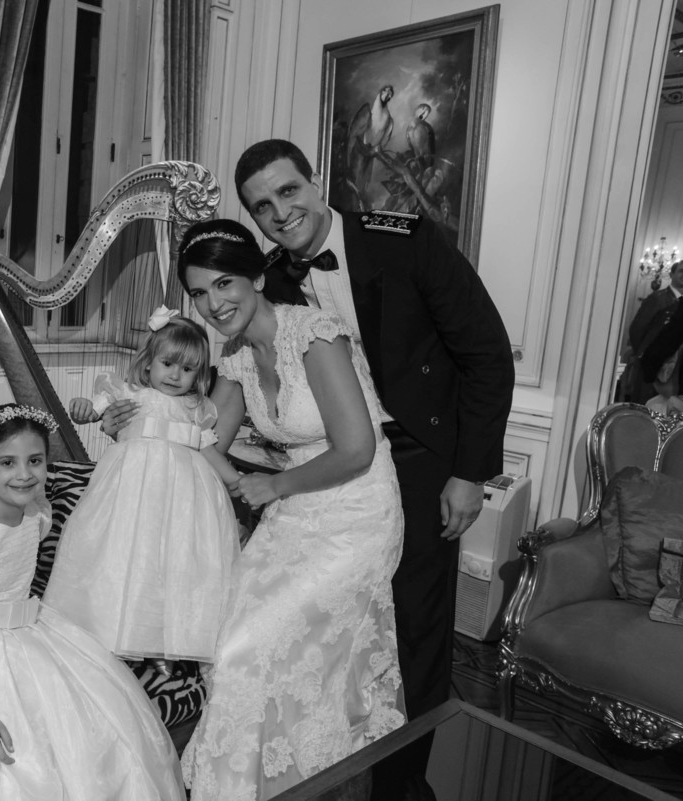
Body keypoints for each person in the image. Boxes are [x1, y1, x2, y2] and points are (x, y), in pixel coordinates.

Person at [241, 138, 514, 800]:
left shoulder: (406, 241)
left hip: (420, 459)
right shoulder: (271, 281)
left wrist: (470, 473)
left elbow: (485, 353)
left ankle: (401, 782)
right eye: (261, 206)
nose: (279, 212)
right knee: (329, 624)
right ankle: (330, 766)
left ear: (316, 181)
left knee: (415, 627)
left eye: (288, 190)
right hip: (333, 471)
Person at [175, 218, 406, 799]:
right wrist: (146, 416)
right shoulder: (236, 357)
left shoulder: (315, 334)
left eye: (224, 284)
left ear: (257, 278)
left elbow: (357, 449)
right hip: (295, 511)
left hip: (357, 514)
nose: (213, 304)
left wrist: (273, 487)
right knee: (225, 644)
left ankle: (301, 774)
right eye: (199, 293)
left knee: (254, 649)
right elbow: (207, 440)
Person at [0, 403, 185, 801]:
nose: (24, 474)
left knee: (91, 735)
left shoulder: (36, 513)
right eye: (7, 463)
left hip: (30, 633)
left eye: (35, 460)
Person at [44, 306, 240, 670]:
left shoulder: (197, 409)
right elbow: (92, 411)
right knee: (124, 555)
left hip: (181, 499)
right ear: (148, 363)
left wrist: (237, 483)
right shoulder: (128, 391)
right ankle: (104, 631)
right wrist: (83, 408)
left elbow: (208, 449)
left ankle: (164, 644)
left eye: (188, 369)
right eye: (168, 363)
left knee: (172, 563)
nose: (176, 375)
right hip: (131, 493)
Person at [628, 260, 683, 402]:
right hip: (652, 363)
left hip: (673, 366)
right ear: (671, 274)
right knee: (645, 405)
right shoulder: (657, 298)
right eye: (681, 271)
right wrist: (643, 354)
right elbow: (637, 329)